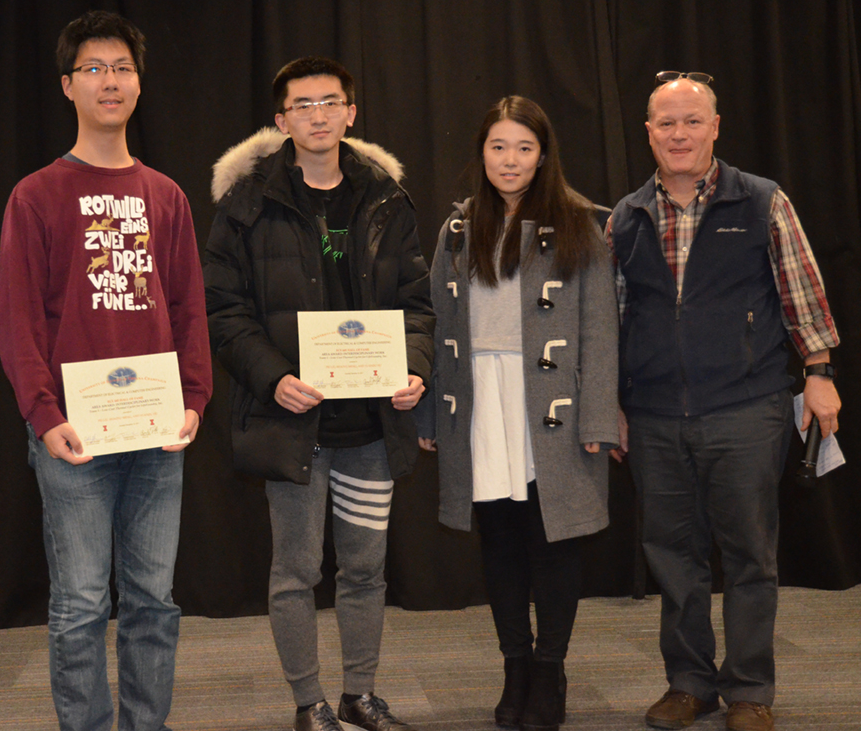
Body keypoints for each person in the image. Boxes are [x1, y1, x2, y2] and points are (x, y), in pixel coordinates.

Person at [0, 10, 211, 731]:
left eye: (121, 67)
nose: (109, 80)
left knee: (153, 601)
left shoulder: (166, 195)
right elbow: (16, 319)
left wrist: (193, 399)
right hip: (74, 440)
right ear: (67, 85)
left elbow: (187, 311)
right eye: (93, 68)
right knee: (81, 603)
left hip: (156, 434)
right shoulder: (35, 195)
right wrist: (43, 415)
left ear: (139, 84)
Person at [204, 56, 434, 731]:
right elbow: (224, 309)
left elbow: (416, 304)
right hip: (291, 425)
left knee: (365, 569)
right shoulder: (246, 202)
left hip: (368, 426)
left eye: (328, 102)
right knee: (295, 571)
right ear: (280, 120)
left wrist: (414, 364)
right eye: (301, 105)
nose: (316, 115)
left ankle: (358, 693)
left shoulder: (386, 196)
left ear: (350, 112)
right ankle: (308, 702)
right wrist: (273, 376)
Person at [608, 73, 841, 731]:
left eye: (690, 121)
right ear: (647, 132)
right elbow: (612, 322)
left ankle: (748, 689)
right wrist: (612, 403)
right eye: (665, 123)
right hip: (652, 415)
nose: (678, 134)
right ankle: (688, 683)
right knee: (671, 556)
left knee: (747, 555)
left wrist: (818, 370)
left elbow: (802, 294)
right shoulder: (625, 217)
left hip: (746, 407)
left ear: (714, 127)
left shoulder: (762, 201)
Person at [416, 96, 619, 731]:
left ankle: (551, 668)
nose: (510, 160)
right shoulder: (458, 226)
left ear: (543, 154)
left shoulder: (581, 222)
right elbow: (437, 323)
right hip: (480, 397)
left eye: (524, 148)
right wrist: (430, 417)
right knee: (500, 538)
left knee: (553, 538)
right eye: (499, 146)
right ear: (481, 151)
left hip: (549, 399)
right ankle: (515, 666)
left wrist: (596, 420)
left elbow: (599, 329)